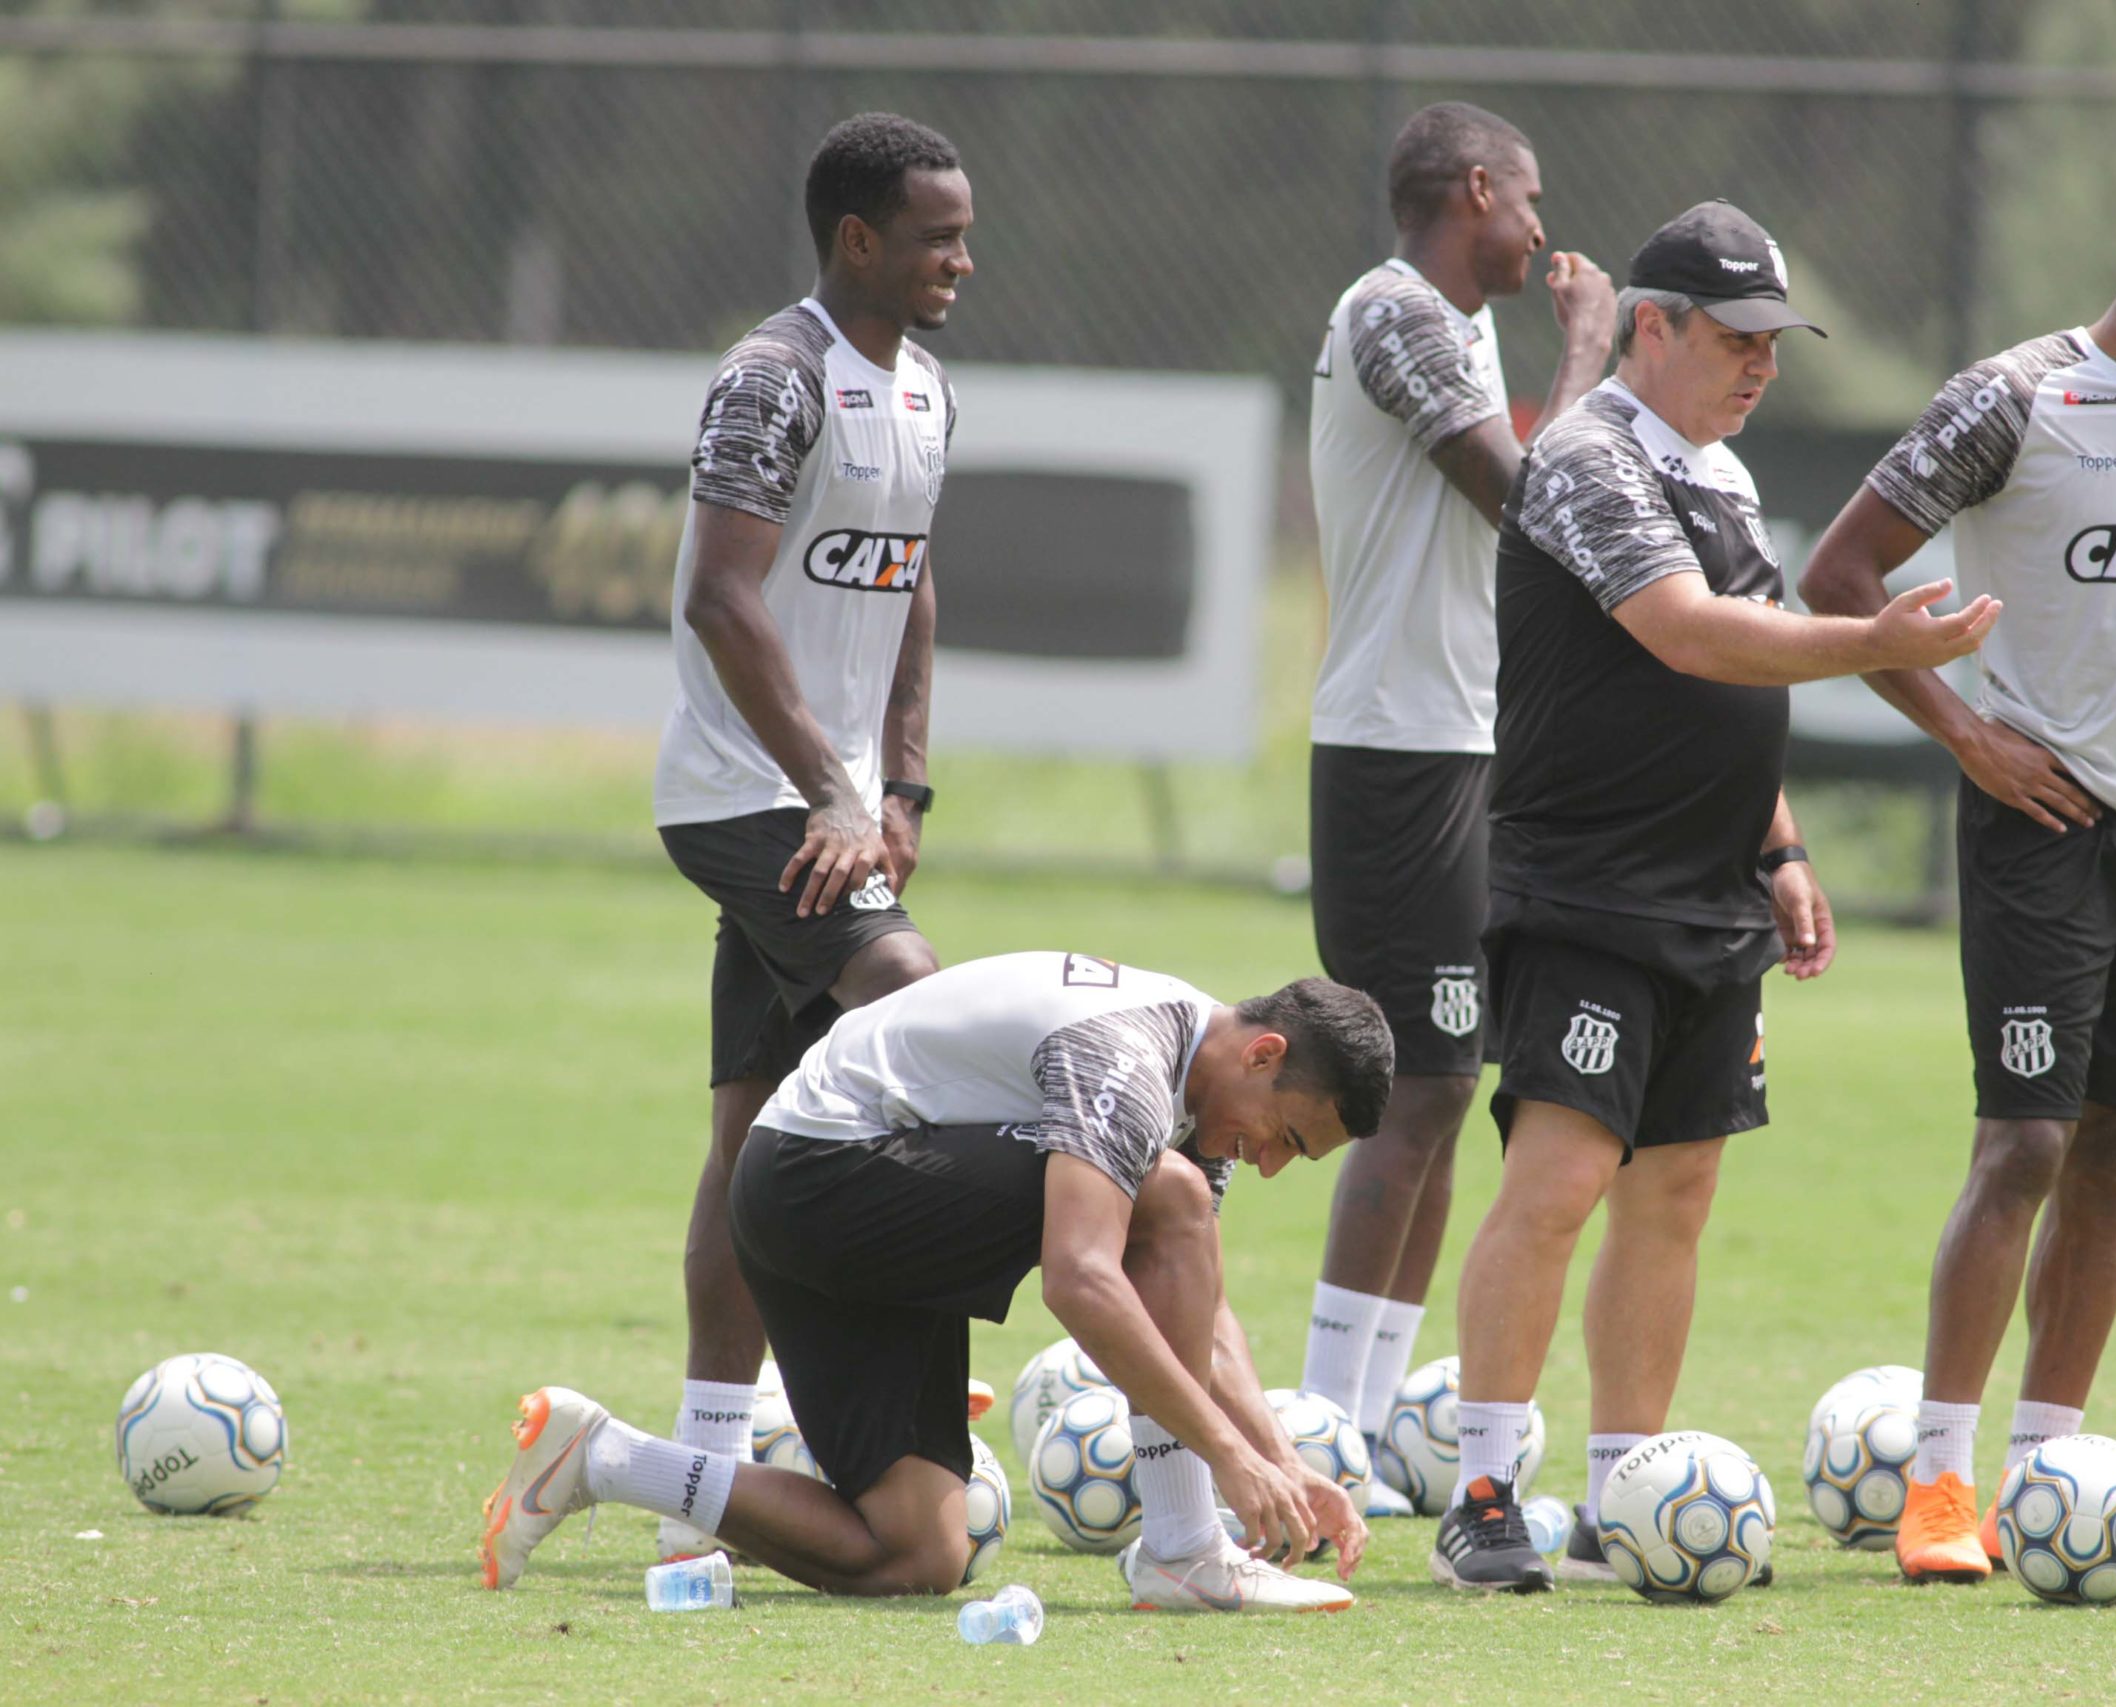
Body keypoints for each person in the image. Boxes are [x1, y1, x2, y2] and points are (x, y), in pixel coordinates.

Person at [1428, 201, 2002, 1594]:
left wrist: (1781, 847)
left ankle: (1622, 1494)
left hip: (1711, 891)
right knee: (1560, 1179)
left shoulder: (1722, 474)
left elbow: (1733, 693)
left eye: (1774, 340)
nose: (1763, 363)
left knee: (1675, 1192)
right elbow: (1685, 633)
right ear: (1653, 325)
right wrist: (1869, 640)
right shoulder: (1590, 457)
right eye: (1737, 337)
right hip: (1587, 886)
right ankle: (1484, 1491)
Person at [1797, 149, 2116, 1583]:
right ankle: (1938, 1483)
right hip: (2043, 824)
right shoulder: (2013, 398)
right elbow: (1839, 579)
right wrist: (1966, 735)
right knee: (2022, 1143)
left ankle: (2043, 1475)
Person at [480, 953, 1395, 1612]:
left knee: (915, 1552)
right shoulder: (1129, 1058)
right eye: (1287, 1136)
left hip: (831, 1207)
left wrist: (1279, 1459)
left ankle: (600, 1457)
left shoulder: (1202, 1101)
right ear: (1263, 1053)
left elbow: (1197, 1306)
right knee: (1171, 1196)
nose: (1270, 1164)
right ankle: (1184, 1547)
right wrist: (1228, 1459)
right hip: (815, 1175)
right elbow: (1080, 1280)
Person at [647, 113, 967, 1560]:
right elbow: (722, 596)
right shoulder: (772, 378)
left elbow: (911, 587)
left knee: (751, 1127)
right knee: (918, 999)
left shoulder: (929, 389)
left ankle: (701, 1478)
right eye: (937, 237)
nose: (962, 260)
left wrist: (902, 786)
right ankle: (903, 1411)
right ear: (857, 239)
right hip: (743, 794)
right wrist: (833, 791)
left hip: (836, 805)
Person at [1299, 100, 1616, 1511]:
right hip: (1397, 748)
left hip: (1460, 743)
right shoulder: (1397, 313)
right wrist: (1590, 351)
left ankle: (1359, 1431)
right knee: (1404, 1089)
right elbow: (1531, 501)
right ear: (1475, 189)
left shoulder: (1461, 326)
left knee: (1438, 1085)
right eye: (1529, 200)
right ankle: (1322, 1429)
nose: (1542, 230)